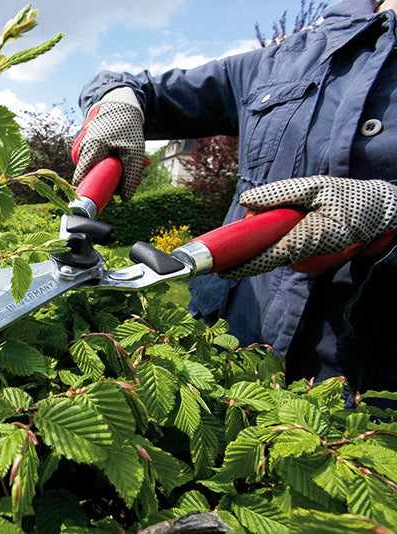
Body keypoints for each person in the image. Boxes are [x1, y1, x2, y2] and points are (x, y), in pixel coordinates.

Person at [72, 0, 397, 397]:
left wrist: (390, 210)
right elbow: (141, 89)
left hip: (364, 394)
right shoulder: (282, 62)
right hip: (215, 355)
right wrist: (118, 102)